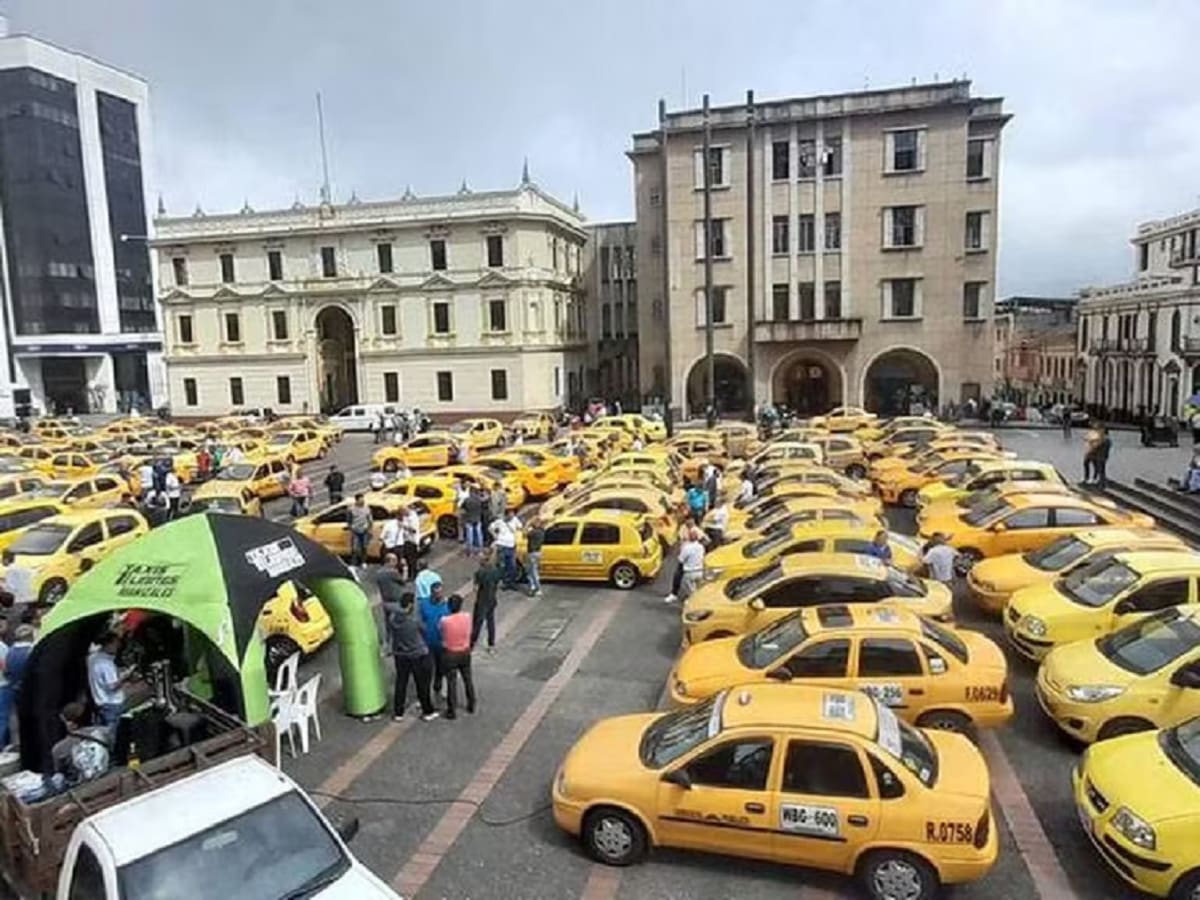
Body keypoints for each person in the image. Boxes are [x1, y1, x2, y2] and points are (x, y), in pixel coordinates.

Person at [387, 592, 437, 722]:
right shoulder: (413, 621)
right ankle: (427, 711)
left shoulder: (393, 618)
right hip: (416, 654)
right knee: (421, 684)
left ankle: (398, 712)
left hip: (400, 654)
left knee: (401, 683)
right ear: (410, 605)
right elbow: (424, 630)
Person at [51, 702, 111, 785]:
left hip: (80, 786)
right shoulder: (106, 732)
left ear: (72, 724)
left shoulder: (59, 749)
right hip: (107, 776)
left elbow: (60, 773)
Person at [439, 594, 475, 719]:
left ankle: (451, 710)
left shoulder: (445, 620)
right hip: (465, 652)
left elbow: (441, 633)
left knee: (451, 682)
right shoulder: (467, 617)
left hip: (450, 653)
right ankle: (471, 704)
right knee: (468, 679)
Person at [87, 632, 128, 729]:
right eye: (116, 644)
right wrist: (126, 676)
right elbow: (112, 686)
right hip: (112, 704)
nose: (118, 647)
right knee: (110, 736)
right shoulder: (106, 664)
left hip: (99, 702)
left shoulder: (92, 658)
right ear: (109, 644)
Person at [419, 582, 449, 695]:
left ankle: (438, 686)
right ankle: (425, 692)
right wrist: (423, 628)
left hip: (441, 643)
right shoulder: (424, 604)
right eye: (436, 593)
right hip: (427, 643)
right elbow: (419, 619)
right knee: (427, 669)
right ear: (431, 593)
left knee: (440, 667)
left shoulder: (446, 605)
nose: (439, 596)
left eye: (440, 593)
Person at [472, 549, 502, 652]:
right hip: (492, 599)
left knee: (477, 623)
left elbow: (475, 588)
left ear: (484, 559)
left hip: (482, 600)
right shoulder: (495, 570)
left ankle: (472, 643)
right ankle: (491, 644)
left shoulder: (480, 572)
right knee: (491, 622)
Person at [490, 508, 522, 588]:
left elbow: (520, 527)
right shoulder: (500, 521)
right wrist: (495, 536)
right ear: (506, 514)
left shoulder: (515, 520)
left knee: (512, 566)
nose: (512, 516)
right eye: (510, 514)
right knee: (502, 565)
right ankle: (503, 582)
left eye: (513, 514)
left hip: (511, 546)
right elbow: (490, 528)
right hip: (502, 545)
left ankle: (510, 582)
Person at [677, 527, 707, 601]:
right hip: (699, 571)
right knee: (697, 588)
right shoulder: (701, 547)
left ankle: (694, 602)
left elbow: (681, 559)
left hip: (690, 572)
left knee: (690, 591)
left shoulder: (687, 548)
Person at [346, 494, 373, 567]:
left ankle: (363, 562)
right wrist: (351, 527)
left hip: (364, 531)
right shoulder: (351, 509)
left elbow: (370, 519)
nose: (362, 501)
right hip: (355, 531)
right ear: (357, 500)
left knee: (364, 547)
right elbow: (349, 520)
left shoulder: (367, 508)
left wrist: (369, 528)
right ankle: (353, 563)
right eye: (361, 499)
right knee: (354, 549)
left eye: (363, 499)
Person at [400, 503, 421, 580]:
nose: (403, 514)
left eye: (403, 512)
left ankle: (413, 575)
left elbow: (414, 530)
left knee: (412, 559)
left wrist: (404, 526)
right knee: (408, 559)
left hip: (412, 541)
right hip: (406, 540)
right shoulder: (405, 517)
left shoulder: (413, 518)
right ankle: (411, 574)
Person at [461, 485, 485, 554]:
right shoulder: (479, 500)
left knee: (470, 535)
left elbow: (463, 509)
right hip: (478, 519)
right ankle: (480, 550)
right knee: (479, 534)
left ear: (470, 492)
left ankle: (470, 551)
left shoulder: (467, 500)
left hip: (469, 519)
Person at [525, 517, 545, 597]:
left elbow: (524, 533)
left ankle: (537, 588)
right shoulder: (542, 531)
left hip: (532, 553)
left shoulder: (533, 532)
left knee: (533, 572)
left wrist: (527, 525)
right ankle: (532, 587)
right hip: (538, 552)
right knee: (531, 571)